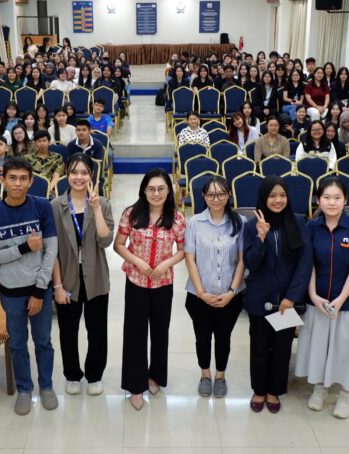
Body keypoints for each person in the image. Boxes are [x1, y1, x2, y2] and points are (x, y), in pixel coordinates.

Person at [0, 158, 59, 416]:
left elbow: (51, 251)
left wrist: (40, 290)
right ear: (2, 180)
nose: (17, 183)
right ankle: (24, 389)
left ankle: (46, 386)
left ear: (31, 182)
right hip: (10, 291)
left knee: (43, 341)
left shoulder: (42, 206)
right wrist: (24, 247)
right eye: (12, 178)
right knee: (17, 343)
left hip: (39, 288)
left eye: (23, 178)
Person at [296, 177, 349, 419]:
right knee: (319, 347)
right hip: (318, 301)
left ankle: (346, 395)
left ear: (345, 200)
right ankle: (319, 389)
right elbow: (308, 264)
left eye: (337, 198)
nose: (332, 202)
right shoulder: (311, 227)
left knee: (348, 350)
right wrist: (313, 295)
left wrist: (340, 299)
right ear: (318, 200)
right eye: (326, 197)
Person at [114, 169, 186, 410]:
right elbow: (118, 245)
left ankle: (155, 376)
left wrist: (165, 264)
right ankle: (135, 386)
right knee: (134, 333)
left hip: (163, 283)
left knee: (160, 331)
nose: (156, 193)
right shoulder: (131, 214)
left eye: (161, 189)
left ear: (169, 191)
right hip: (136, 281)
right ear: (144, 190)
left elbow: (182, 251)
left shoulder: (177, 219)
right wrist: (138, 262)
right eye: (151, 189)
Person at [243, 176, 312, 413]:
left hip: (286, 302)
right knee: (259, 347)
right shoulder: (252, 225)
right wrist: (261, 237)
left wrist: (291, 296)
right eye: (272, 196)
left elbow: (305, 262)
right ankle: (259, 390)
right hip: (259, 299)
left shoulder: (298, 221)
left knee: (282, 349)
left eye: (282, 195)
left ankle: (274, 390)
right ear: (264, 198)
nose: (278, 200)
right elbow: (250, 263)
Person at [51, 153, 115, 396]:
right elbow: (52, 250)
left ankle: (95, 374)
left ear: (91, 175)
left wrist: (96, 209)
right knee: (68, 331)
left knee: (97, 330)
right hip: (67, 276)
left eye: (84, 172)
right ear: (67, 174)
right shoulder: (55, 206)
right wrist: (57, 286)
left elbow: (105, 240)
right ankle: (72, 374)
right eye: (74, 172)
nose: (79, 177)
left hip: (96, 275)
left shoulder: (103, 204)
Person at [184, 175, 246, 398]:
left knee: (223, 337)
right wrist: (201, 292)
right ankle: (205, 374)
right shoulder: (194, 222)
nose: (216, 198)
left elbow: (242, 260)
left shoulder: (240, 222)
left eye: (220, 194)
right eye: (211, 194)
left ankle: (220, 376)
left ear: (228, 195)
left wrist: (231, 291)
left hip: (230, 296)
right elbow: (189, 258)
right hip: (199, 295)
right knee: (202, 337)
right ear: (203, 196)